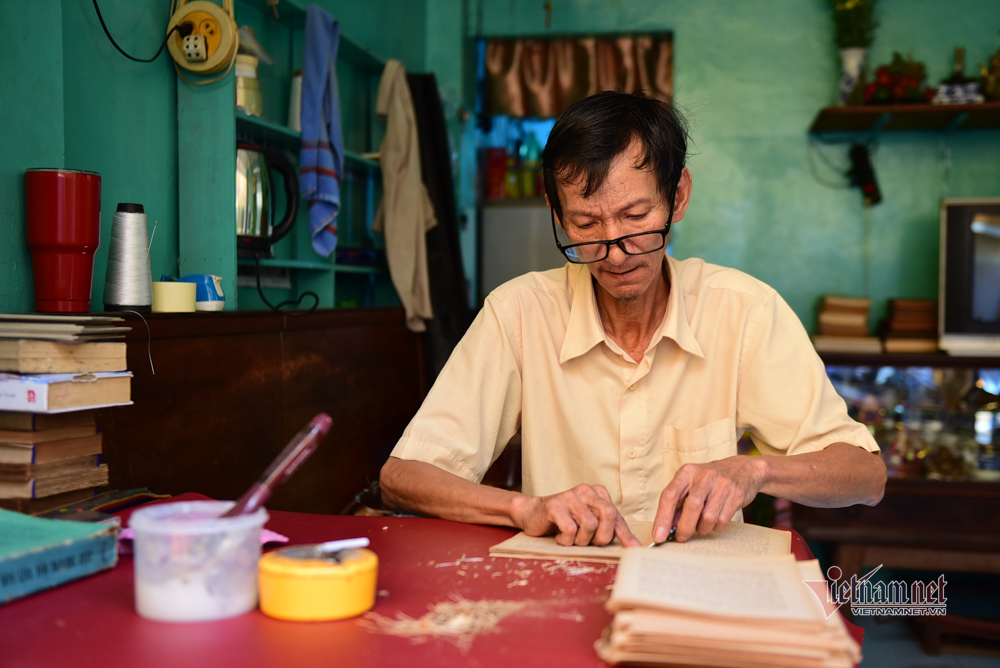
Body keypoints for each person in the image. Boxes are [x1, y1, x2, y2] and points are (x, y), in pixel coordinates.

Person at [380, 90, 886, 548]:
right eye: (586, 224)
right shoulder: (518, 313)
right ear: (558, 217)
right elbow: (403, 476)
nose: (616, 252)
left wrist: (751, 471)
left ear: (678, 196)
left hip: (700, 594)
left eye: (637, 217)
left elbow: (865, 475)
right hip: (562, 588)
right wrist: (523, 507)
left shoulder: (743, 311)